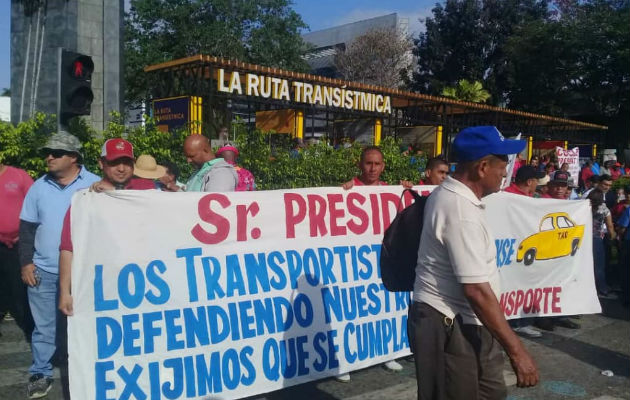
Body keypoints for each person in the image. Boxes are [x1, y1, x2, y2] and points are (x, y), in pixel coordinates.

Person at [409, 126, 538, 400]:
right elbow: (476, 290)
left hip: (469, 321)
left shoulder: (459, 199)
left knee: (491, 392)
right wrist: (518, 351)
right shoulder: (459, 209)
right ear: (482, 167)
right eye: (503, 164)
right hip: (448, 322)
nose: (506, 172)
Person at [18, 132, 100, 399]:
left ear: (74, 157)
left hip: (83, 273)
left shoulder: (95, 185)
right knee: (44, 327)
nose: (48, 157)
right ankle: (41, 372)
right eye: (48, 152)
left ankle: (83, 370)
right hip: (43, 271)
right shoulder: (38, 187)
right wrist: (26, 263)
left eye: (56, 153)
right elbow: (27, 228)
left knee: (84, 325)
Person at [338, 146, 404, 381]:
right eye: (368, 163)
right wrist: (341, 192)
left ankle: (387, 353)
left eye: (377, 164)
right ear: (360, 165)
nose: (372, 168)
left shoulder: (391, 191)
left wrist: (406, 190)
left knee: (384, 307)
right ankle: (345, 361)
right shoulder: (349, 188)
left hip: (383, 258)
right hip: (356, 261)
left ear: (383, 166)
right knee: (353, 308)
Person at [0, 163, 34, 341]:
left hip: (18, 248)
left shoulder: (19, 176)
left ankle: (36, 346)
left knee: (21, 303)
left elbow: (36, 206)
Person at [586, 189, 617, 299]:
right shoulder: (604, 209)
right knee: (599, 265)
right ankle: (602, 289)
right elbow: (610, 226)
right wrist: (613, 237)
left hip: (583, 238)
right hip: (597, 239)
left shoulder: (583, 206)